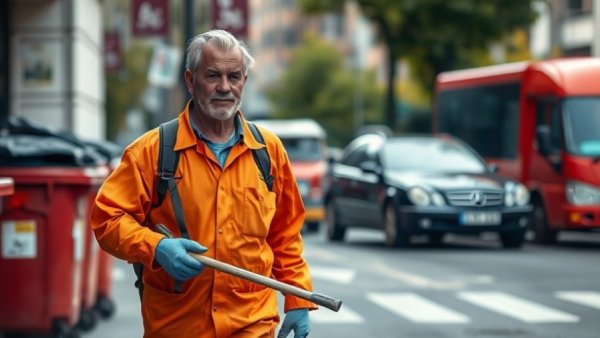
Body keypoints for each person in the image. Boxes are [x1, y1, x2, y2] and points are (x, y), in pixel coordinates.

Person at [91, 29, 316, 338]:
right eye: (213, 76)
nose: (225, 87)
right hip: (177, 326)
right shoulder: (153, 151)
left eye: (234, 76)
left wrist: (298, 298)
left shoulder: (269, 152)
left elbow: (285, 235)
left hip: (251, 325)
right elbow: (107, 220)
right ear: (190, 80)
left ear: (244, 82)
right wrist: (157, 248)